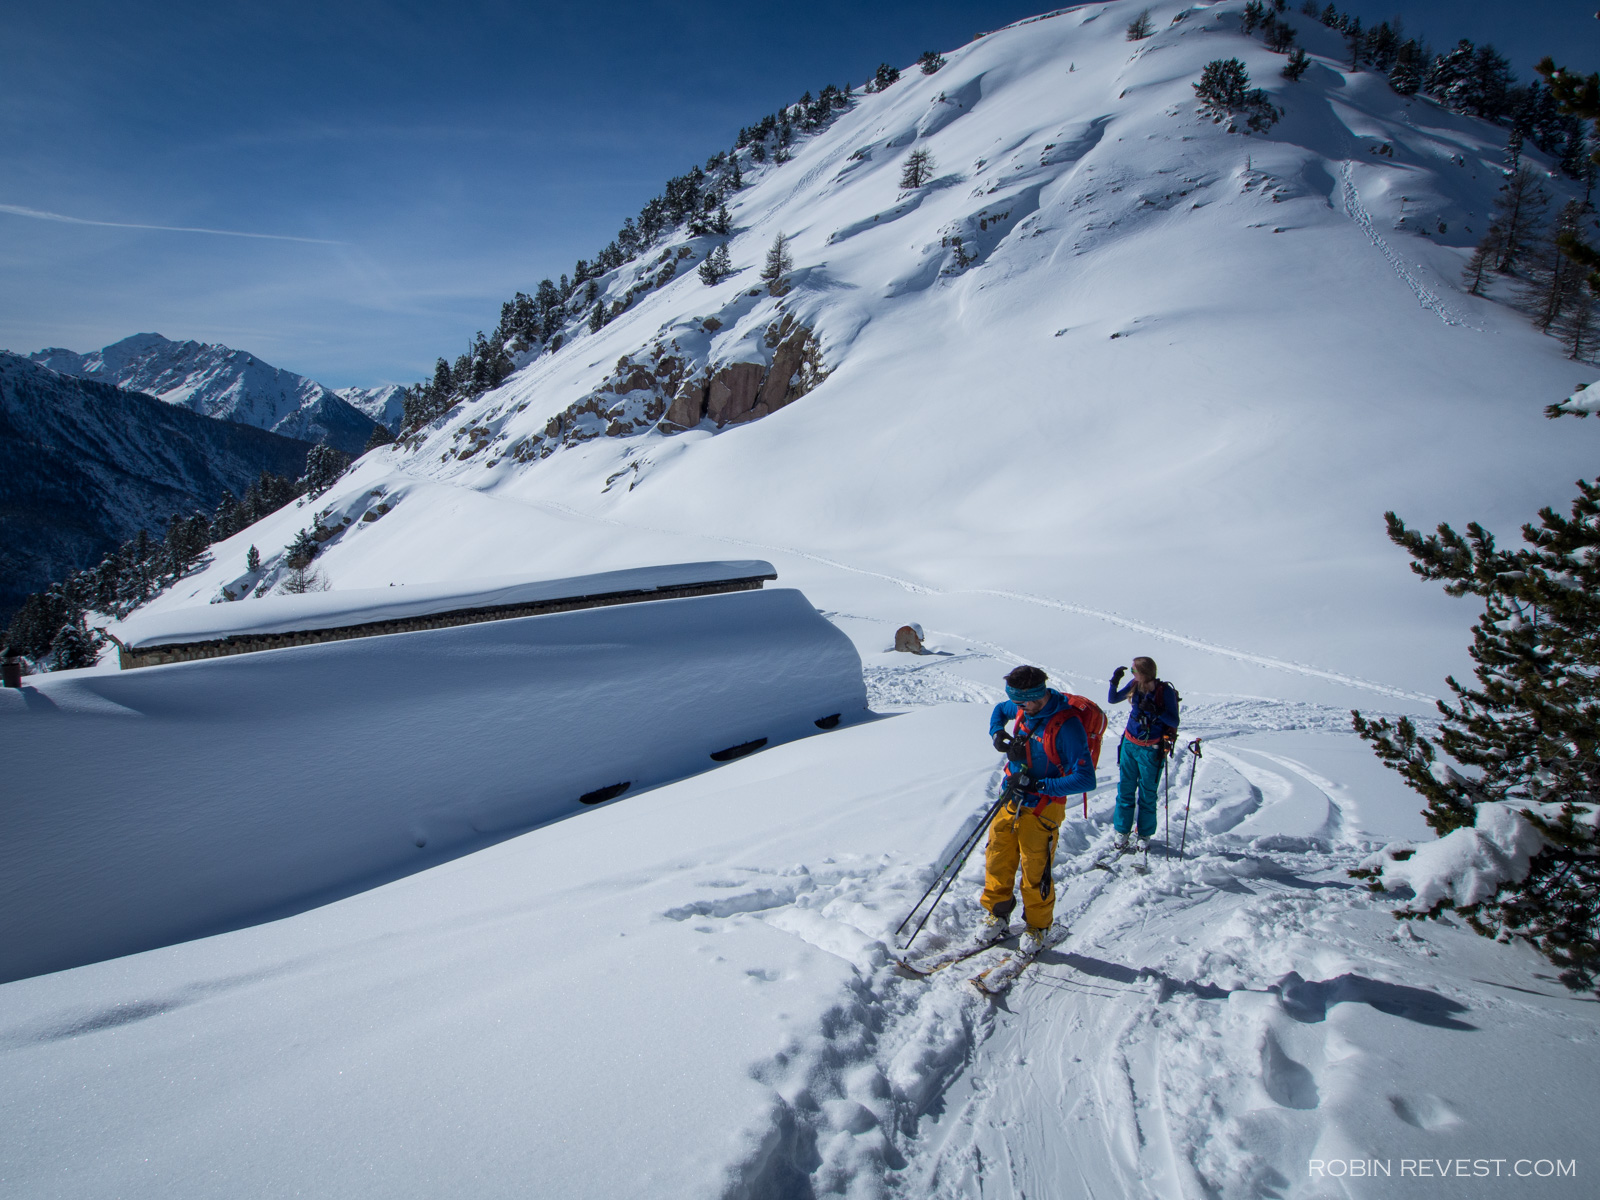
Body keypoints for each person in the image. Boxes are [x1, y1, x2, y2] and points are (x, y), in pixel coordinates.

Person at [984, 665, 1096, 952]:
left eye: (1022, 702)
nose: (1018, 708)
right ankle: (997, 914)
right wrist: (997, 732)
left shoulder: (1066, 725)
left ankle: (1037, 926)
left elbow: (1085, 778)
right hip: (1011, 796)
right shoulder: (1022, 707)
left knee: (1036, 869)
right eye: (1016, 702)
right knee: (998, 855)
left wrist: (1040, 785)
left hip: (1043, 805)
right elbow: (1000, 709)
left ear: (1036, 695)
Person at [1107, 656, 1180, 853]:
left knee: (1147, 793)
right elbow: (1112, 699)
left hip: (1151, 749)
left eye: (1133, 670)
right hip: (1130, 744)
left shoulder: (1165, 692)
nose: (1132, 674)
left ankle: (1144, 834)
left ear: (1144, 672)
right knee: (1125, 789)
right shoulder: (1135, 685)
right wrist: (1114, 681)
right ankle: (1122, 830)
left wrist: (1156, 711)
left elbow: (1174, 720)